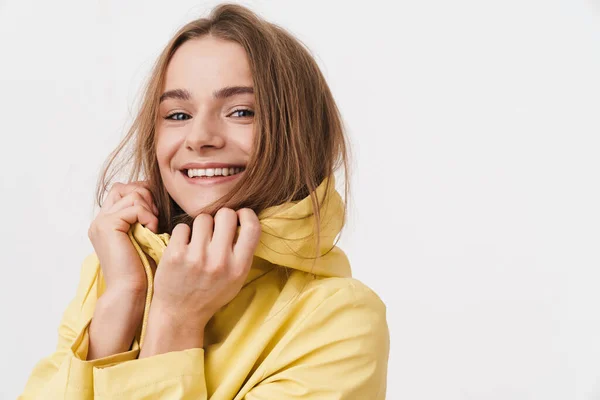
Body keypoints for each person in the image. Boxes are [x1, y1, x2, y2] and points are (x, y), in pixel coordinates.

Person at [19, 3, 389, 399]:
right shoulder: (114, 270)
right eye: (177, 115)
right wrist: (123, 298)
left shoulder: (340, 319)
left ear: (297, 132)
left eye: (242, 111)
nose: (199, 137)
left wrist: (175, 318)